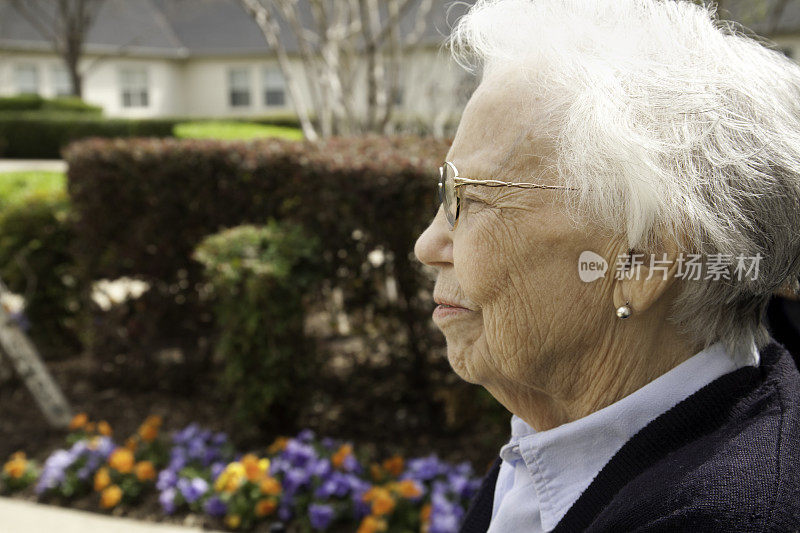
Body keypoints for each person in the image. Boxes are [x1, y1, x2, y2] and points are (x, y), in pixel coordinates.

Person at [414, 0, 800, 531]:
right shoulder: (562, 435)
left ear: (641, 260)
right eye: (444, 190)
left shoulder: (724, 513)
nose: (428, 243)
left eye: (471, 198)